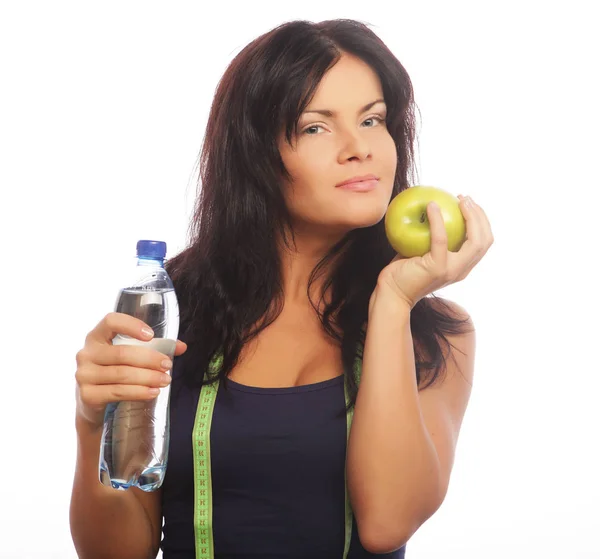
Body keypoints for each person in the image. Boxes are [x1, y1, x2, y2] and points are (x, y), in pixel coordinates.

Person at [70, 18, 494, 559]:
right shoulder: (171, 311)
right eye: (316, 127)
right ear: (256, 156)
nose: (358, 148)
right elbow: (115, 554)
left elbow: (387, 523)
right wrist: (91, 425)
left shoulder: (437, 335)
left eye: (373, 119)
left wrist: (394, 302)